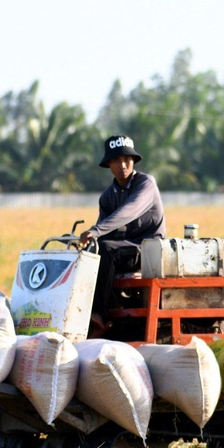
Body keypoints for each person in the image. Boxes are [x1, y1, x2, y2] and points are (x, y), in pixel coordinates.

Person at [79, 135, 166, 331]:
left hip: (149, 249)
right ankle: (82, 310)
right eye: (117, 160)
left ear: (133, 161)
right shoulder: (107, 197)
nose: (123, 165)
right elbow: (102, 234)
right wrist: (87, 243)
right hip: (123, 249)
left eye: (127, 159)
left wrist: (95, 231)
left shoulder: (146, 184)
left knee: (107, 249)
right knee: (90, 253)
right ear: (109, 164)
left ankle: (100, 314)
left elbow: (129, 211)